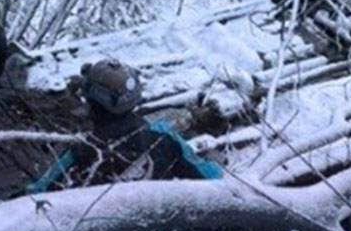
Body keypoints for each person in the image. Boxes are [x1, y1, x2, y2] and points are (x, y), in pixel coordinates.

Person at [27, 59, 223, 194]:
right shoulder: (163, 136)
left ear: (90, 101)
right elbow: (212, 178)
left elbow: (35, 195)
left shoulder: (80, 151)